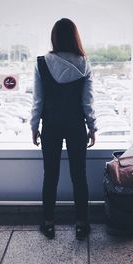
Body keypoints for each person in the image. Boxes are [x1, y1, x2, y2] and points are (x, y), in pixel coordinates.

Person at [30, 18, 97, 240]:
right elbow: (87, 102)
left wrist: (34, 126)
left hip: (51, 125)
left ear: (55, 37)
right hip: (76, 125)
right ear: (74, 37)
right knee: (79, 176)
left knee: (50, 175)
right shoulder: (84, 64)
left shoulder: (41, 63)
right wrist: (92, 127)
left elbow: (38, 100)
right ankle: (81, 224)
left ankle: (48, 223)